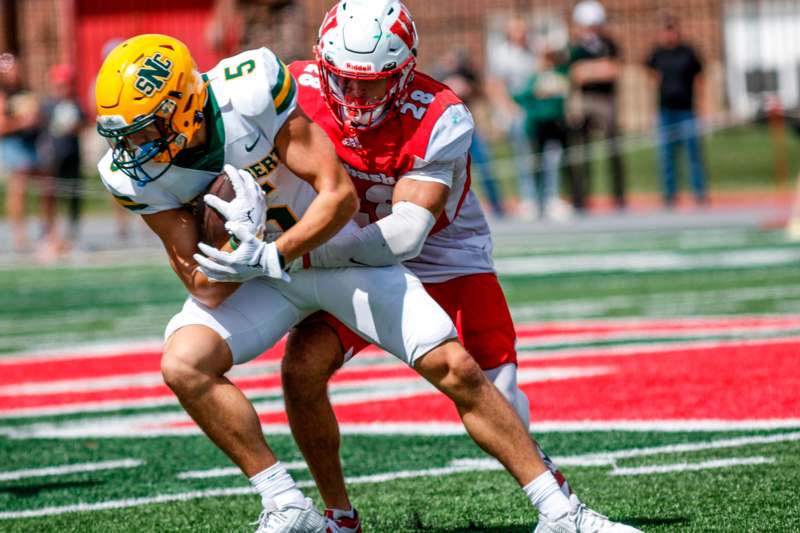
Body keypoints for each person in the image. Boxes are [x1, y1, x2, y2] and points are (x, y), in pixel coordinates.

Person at [95, 33, 627, 533]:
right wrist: (237, 253)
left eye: (144, 129)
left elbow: (338, 196)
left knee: (454, 366)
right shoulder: (130, 174)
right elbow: (202, 285)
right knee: (183, 363)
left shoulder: (249, 90)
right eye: (126, 135)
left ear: (183, 107)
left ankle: (562, 513)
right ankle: (286, 501)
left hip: (333, 255)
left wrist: (274, 249)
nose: (135, 147)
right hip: (263, 272)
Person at [568, 0, 626, 212]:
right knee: (582, 150)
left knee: (614, 148)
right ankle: (581, 198)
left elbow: (614, 70)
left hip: (606, 100)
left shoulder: (608, 44)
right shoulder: (575, 47)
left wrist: (590, 70)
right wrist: (598, 68)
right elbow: (576, 74)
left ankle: (619, 197)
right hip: (586, 100)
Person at [645, 15, 708, 207]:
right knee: (666, 156)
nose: (669, 34)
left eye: (671, 29)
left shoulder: (688, 52)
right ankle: (669, 195)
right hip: (665, 111)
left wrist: (705, 108)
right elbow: (651, 80)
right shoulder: (657, 55)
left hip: (687, 110)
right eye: (665, 30)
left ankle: (699, 194)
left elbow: (700, 80)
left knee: (693, 154)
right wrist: (650, 112)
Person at [434, 48, 505, 217]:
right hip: (447, 131)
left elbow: (482, 94)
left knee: (484, 166)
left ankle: (496, 204)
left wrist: (468, 89)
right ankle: (448, 208)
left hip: (469, 128)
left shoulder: (468, 74)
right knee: (446, 169)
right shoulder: (438, 75)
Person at [513, 43, 574, 221]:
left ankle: (552, 198)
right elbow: (520, 96)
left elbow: (565, 94)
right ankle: (533, 200)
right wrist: (536, 92)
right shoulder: (534, 77)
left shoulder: (561, 74)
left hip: (555, 124)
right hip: (536, 124)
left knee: (554, 161)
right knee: (534, 163)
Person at [486, 16, 538, 218]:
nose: (521, 34)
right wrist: (509, 109)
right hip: (515, 109)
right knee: (523, 154)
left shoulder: (533, 51)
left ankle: (546, 196)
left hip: (535, 109)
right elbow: (495, 84)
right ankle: (528, 197)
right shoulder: (501, 54)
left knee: (545, 152)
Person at [38, 64, 85, 257]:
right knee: (51, 196)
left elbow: (84, 122)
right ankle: (49, 233)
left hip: (72, 154)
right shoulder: (48, 105)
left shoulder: (75, 104)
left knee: (74, 195)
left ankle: (71, 234)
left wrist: (76, 126)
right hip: (52, 155)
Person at [0, 53, 41, 252]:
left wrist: (36, 119)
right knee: (18, 189)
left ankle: (47, 230)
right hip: (13, 144)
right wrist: (22, 122)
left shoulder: (26, 91)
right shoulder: (3, 94)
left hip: (31, 142)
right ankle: (19, 234)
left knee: (46, 184)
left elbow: (36, 114)